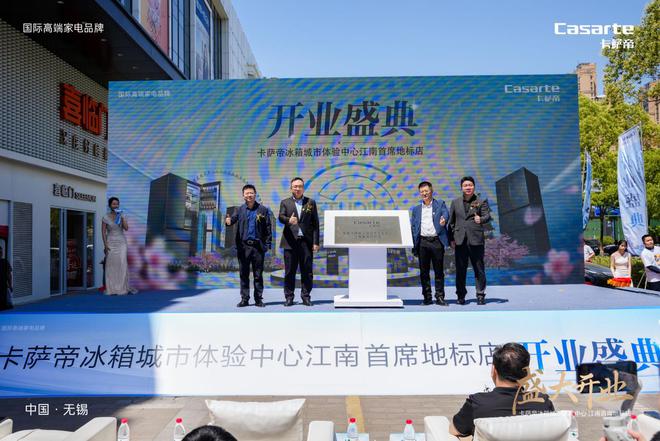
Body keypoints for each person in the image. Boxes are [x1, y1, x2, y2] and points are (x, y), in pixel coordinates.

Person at [450, 342, 555, 437]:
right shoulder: (543, 403)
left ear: (493, 370)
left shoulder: (477, 403)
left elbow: (454, 431)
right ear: (526, 373)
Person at [226, 184, 272, 307]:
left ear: (255, 194)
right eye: (247, 193)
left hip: (258, 247)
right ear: (243, 195)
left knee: (258, 275)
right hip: (243, 247)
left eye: (251, 193)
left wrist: (267, 245)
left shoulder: (263, 210)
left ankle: (258, 299)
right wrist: (229, 222)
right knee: (244, 274)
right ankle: (245, 299)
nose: (249, 195)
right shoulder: (240, 209)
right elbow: (232, 220)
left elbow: (268, 227)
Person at [448, 176, 491, 305]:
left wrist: (480, 219)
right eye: (465, 185)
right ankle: (460, 295)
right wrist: (451, 239)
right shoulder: (455, 202)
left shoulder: (481, 201)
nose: (468, 187)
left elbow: (487, 216)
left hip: (476, 240)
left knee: (479, 269)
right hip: (460, 240)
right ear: (461, 187)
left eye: (470, 185)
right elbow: (451, 222)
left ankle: (480, 294)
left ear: (474, 187)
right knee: (460, 270)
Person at [278, 177, 320, 306]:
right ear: (291, 188)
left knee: (307, 271)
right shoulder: (285, 202)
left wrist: (315, 242)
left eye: (300, 186)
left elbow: (315, 224)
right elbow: (281, 217)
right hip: (290, 243)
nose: (297, 188)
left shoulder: (311, 202)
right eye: (295, 186)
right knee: (289, 271)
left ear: (303, 188)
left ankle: (306, 296)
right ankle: (289, 297)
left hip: (306, 243)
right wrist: (288, 220)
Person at [410, 181, 450, 305]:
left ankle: (440, 297)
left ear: (431, 191)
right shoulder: (416, 209)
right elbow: (413, 227)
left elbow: (446, 214)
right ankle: (427, 297)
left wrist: (444, 220)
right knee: (424, 272)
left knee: (439, 271)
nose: (424, 193)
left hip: (436, 241)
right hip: (422, 242)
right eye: (422, 192)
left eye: (426, 191)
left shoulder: (440, 204)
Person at [102, 197, 130, 295]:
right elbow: (103, 232)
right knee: (111, 265)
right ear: (110, 205)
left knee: (122, 263)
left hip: (121, 242)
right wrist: (105, 244)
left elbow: (126, 228)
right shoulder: (105, 217)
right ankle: (112, 288)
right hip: (110, 242)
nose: (116, 205)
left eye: (117, 204)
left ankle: (122, 288)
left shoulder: (122, 215)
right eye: (114, 204)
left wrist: (122, 217)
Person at [0, 245, 12, 310]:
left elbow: (9, 275)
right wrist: (10, 285)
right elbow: (9, 275)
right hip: (3, 286)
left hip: (3, 286)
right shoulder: (5, 262)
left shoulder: (5, 262)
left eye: (1, 252)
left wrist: (10, 285)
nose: (1, 254)